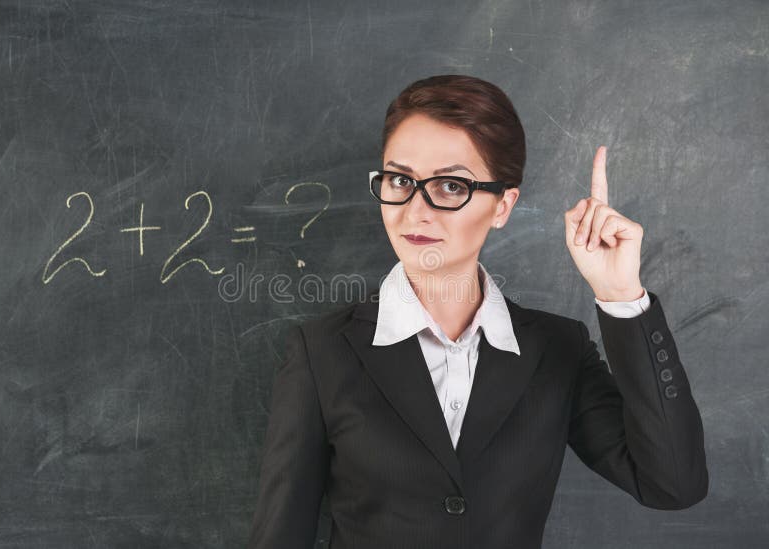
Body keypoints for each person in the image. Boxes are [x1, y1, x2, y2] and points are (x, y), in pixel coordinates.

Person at [246, 75, 708, 549]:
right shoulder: (322, 353)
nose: (416, 211)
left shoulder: (556, 350)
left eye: (450, 186)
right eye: (401, 180)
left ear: (503, 205)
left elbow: (672, 483)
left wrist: (621, 296)